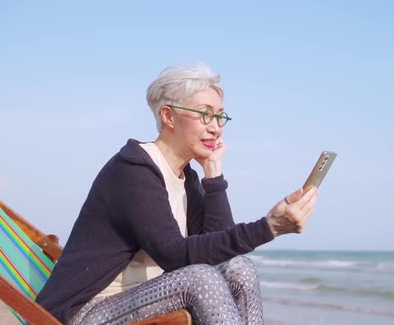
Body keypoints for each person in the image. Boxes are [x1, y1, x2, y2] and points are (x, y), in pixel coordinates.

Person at [35, 62, 319, 325]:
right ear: (169, 116)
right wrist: (269, 228)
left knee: (239, 268)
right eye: (206, 114)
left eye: (221, 117)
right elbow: (174, 256)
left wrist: (213, 173)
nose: (216, 128)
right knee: (200, 279)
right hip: (87, 312)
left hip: (146, 299)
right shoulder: (133, 170)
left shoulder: (187, 178)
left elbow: (217, 251)